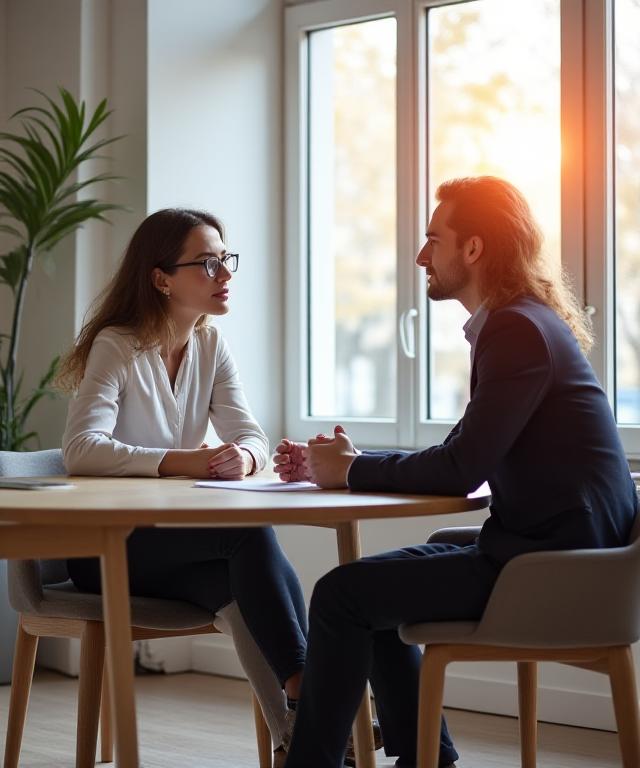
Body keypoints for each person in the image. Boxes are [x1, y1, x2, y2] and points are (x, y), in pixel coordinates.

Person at [274, 176, 638, 768]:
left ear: (473, 248)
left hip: (559, 569)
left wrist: (352, 471)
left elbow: (460, 469)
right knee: (376, 587)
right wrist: (348, 463)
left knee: (343, 595)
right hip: (562, 552)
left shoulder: (516, 330)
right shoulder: (524, 322)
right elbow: (462, 451)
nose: (422, 256)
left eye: (432, 239)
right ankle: (428, 759)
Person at [58, 208, 305, 766]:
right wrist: (183, 462)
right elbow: (80, 451)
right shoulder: (117, 345)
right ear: (161, 278)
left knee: (241, 583)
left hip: (175, 546)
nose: (225, 273)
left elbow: (252, 436)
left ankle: (300, 740)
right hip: (104, 547)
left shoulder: (211, 345)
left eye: (225, 260)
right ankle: (311, 693)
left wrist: (241, 457)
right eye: (208, 263)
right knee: (247, 536)